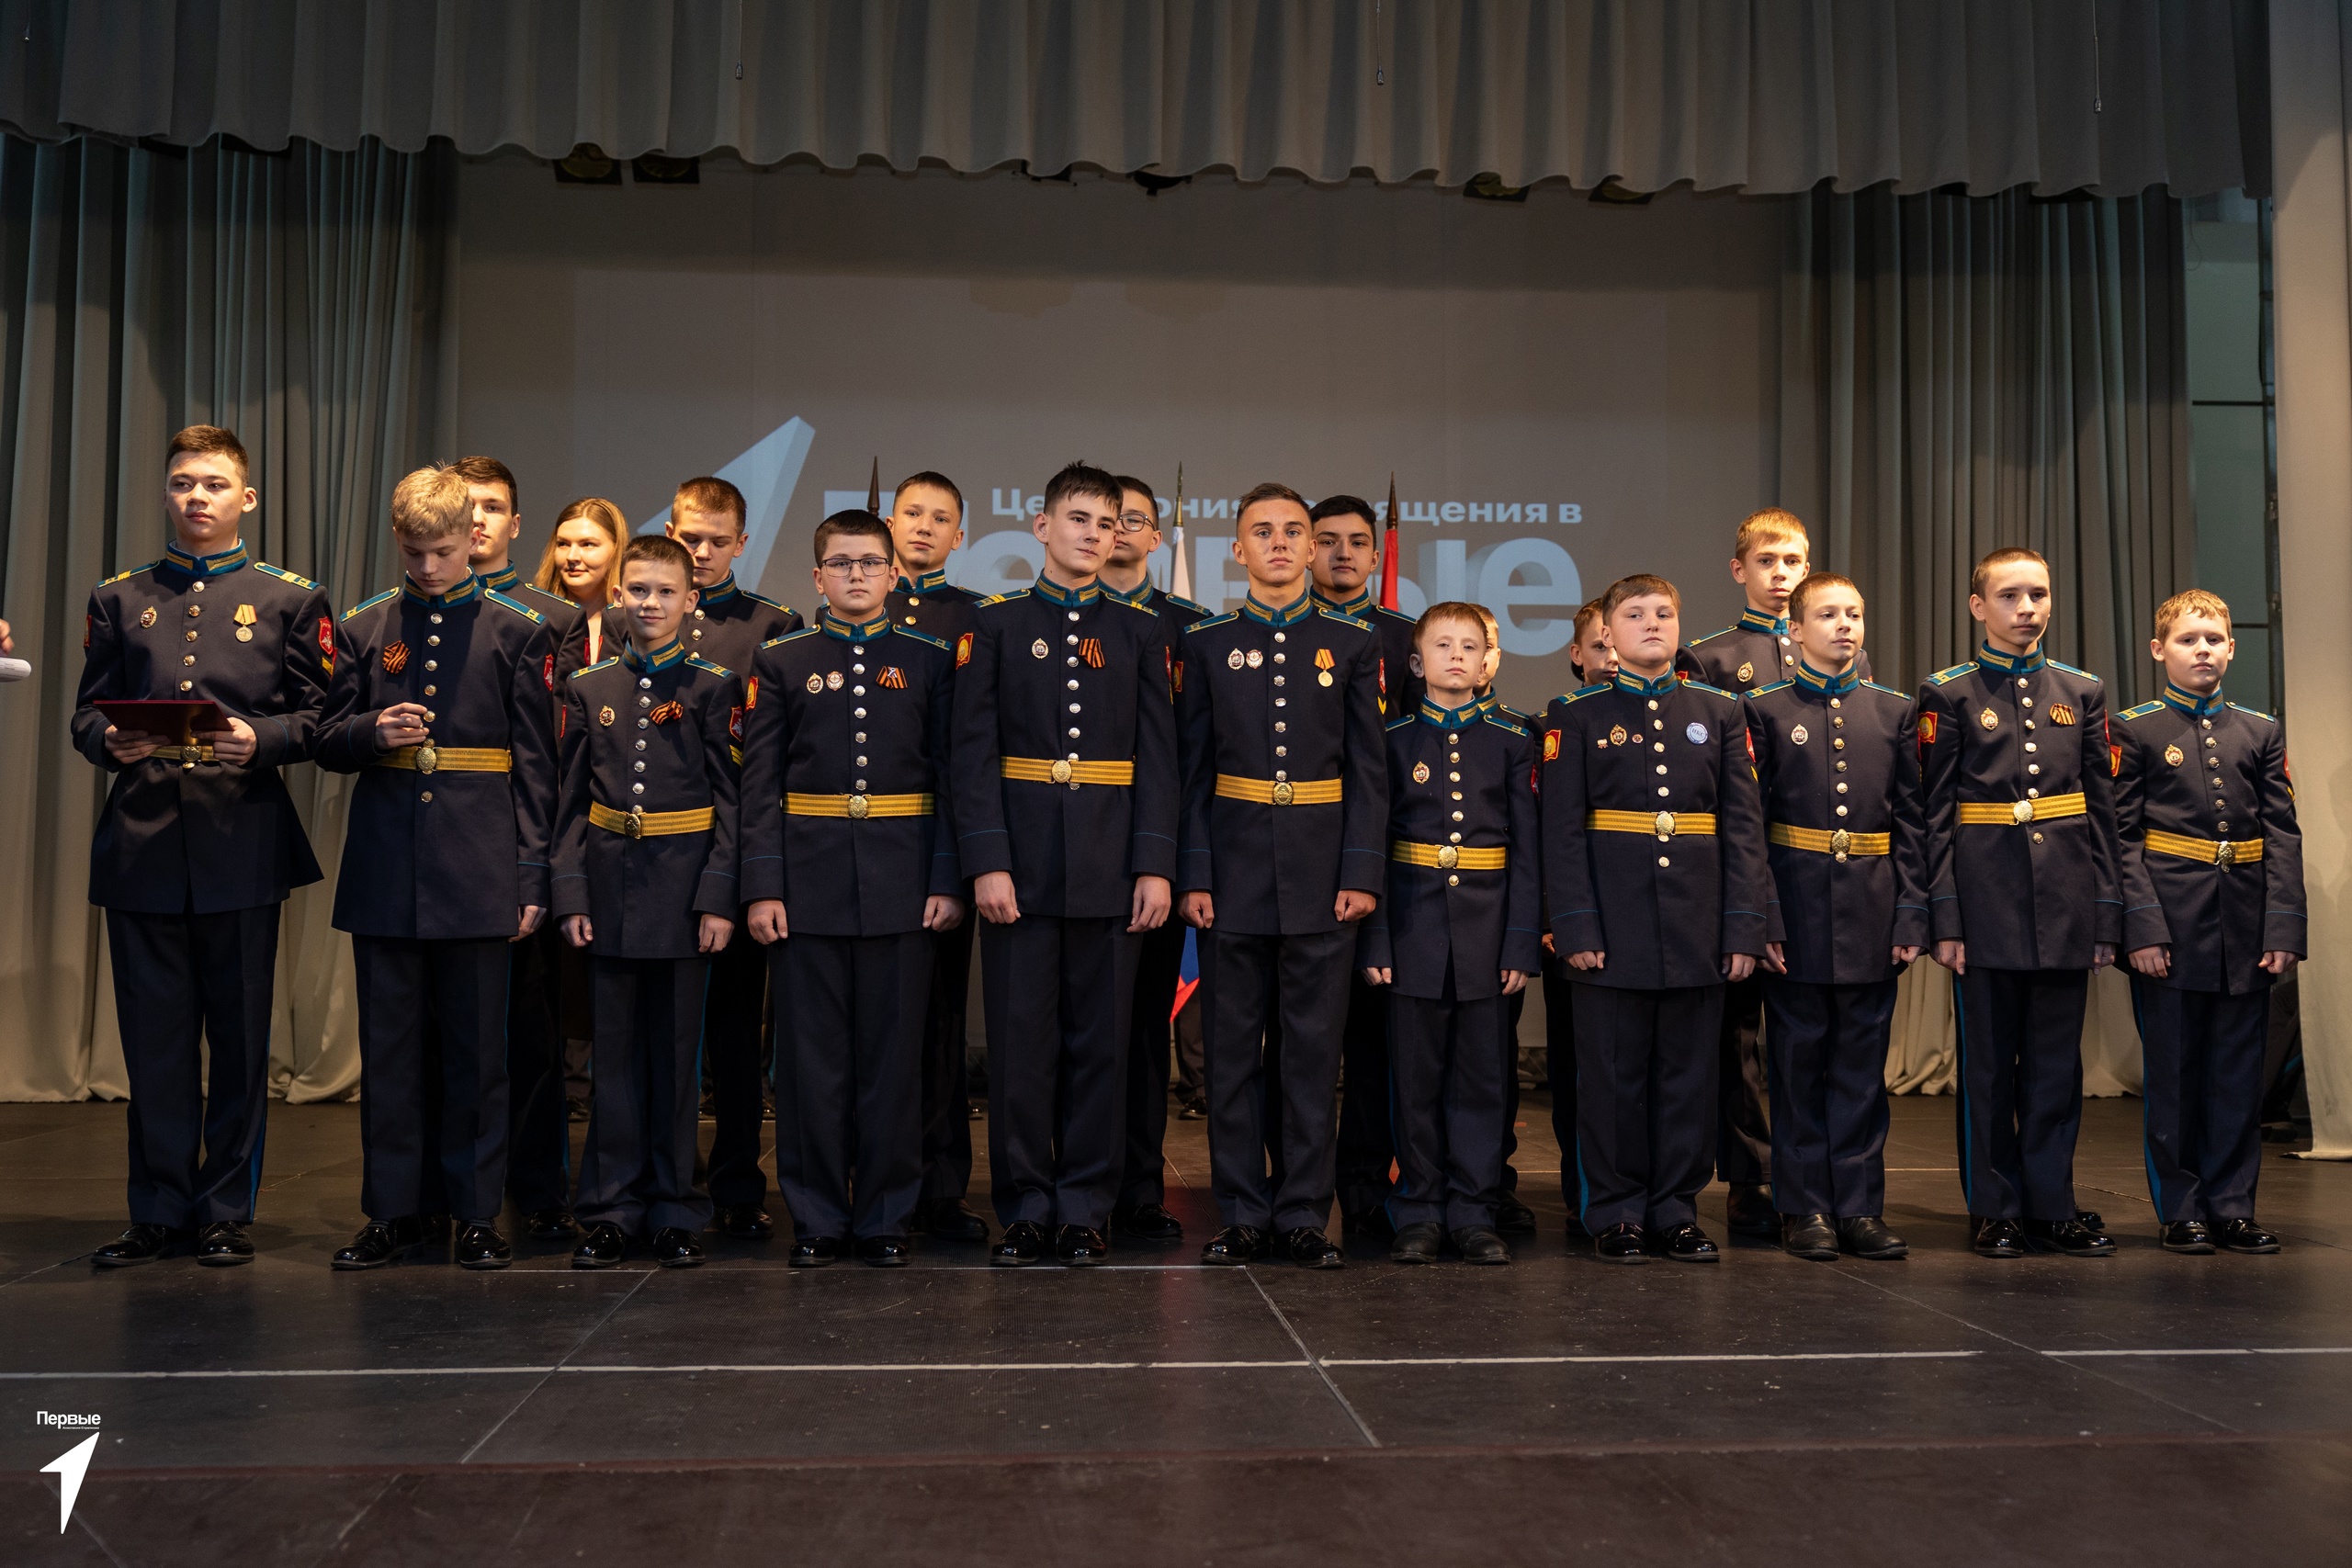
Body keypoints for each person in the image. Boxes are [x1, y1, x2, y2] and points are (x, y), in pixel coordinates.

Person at [73, 424, 334, 1269]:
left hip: (241, 838)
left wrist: (262, 738)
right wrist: (105, 739)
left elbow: (320, 716)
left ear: (245, 498)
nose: (197, 496)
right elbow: (86, 710)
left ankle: (224, 1208)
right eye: (184, 482)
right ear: (165, 493)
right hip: (142, 840)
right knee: (154, 1041)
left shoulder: (291, 599)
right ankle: (156, 1209)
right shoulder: (120, 596)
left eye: (215, 484)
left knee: (240, 1036)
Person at [316, 465, 558, 1271]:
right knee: (389, 1052)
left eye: (444, 552)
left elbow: (537, 766)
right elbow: (326, 737)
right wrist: (368, 732)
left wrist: (531, 873)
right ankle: (394, 1211)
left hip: (479, 867)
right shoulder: (363, 625)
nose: (427, 567)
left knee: (476, 1055)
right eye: (414, 552)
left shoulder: (517, 630)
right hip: (387, 868)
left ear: (473, 537)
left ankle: (476, 1212)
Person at [955, 462, 1177, 1266]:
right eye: (1077, 518)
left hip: (1111, 866)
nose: (1093, 534)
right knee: (1021, 1048)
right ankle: (1024, 1206)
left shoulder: (1141, 630)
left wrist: (1154, 864)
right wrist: (988, 860)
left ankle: (1084, 1205)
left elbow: (1160, 758)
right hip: (1020, 865)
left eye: (1107, 523)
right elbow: (972, 753)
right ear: (1042, 526)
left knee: (1101, 1048)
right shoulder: (996, 624)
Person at [741, 510, 963, 1267]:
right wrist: (763, 885)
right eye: (841, 563)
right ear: (817, 576)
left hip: (905, 886)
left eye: (870, 562)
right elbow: (759, 783)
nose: (857, 575)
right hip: (806, 888)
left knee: (893, 1065)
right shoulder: (783, 659)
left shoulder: (930, 658)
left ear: (893, 573)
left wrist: (946, 878)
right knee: (811, 1067)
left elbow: (950, 779)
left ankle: (884, 1216)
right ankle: (816, 1216)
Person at [1178, 482, 1387, 1269]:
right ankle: (1241, 1211)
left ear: (1311, 547)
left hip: (1323, 876)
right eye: (1261, 531)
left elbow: (1370, 772)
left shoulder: (1353, 643)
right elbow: (1192, 772)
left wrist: (1361, 869)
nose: (1278, 543)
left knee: (1311, 1056)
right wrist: (1194, 872)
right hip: (1231, 874)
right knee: (1232, 1056)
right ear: (1238, 549)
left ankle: (1302, 1212)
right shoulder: (1206, 642)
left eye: (1293, 531)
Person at [594, 478, 804, 1244]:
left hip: (732, 858)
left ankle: (738, 1182)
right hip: (648, 872)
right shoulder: (628, 624)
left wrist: (746, 872)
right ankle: (646, 1186)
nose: (703, 551)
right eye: (690, 537)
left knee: (735, 1032)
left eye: (718, 540)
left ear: (741, 543)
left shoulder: (773, 625)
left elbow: (767, 763)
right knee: (652, 1041)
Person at [1540, 574, 1768, 1263]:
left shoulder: (1720, 711)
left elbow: (1743, 829)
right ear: (1608, 633)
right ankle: (1616, 1212)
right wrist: (1575, 925)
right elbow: (1561, 832)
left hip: (1697, 927)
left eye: (1664, 613)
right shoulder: (1575, 713)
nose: (1652, 624)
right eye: (1635, 614)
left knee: (1688, 1079)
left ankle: (1674, 1209)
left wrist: (1743, 927)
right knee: (1612, 1082)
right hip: (1611, 930)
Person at [1916, 547, 2120, 1259]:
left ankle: (2051, 1206)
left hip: (2065, 905)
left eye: (2038, 594)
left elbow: (2103, 814)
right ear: (1979, 606)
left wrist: (2106, 912)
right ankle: (1995, 1207)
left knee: (2057, 1069)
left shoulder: (2082, 691)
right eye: (2009, 595)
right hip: (1985, 907)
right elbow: (1933, 816)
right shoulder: (1948, 693)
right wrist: (1945, 916)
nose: (2026, 608)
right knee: (1989, 1069)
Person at [1677, 509, 1866, 1239]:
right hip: (1745, 866)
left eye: (1793, 561)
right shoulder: (1712, 657)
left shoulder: (1845, 651)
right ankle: (1750, 1175)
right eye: (1767, 561)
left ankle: (1814, 1179)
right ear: (1740, 569)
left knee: (1813, 1037)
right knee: (1741, 1039)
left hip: (1820, 871)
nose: (1780, 573)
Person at [553, 534, 740, 1269]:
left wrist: (719, 895)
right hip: (608, 891)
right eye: (638, 590)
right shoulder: (589, 686)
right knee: (614, 1059)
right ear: (619, 595)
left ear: (691, 601)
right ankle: (610, 1208)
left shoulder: (714, 687)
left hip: (684, 895)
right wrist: (570, 890)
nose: (651, 603)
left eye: (666, 591)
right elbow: (570, 802)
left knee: (675, 1060)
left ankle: (674, 1208)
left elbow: (732, 805)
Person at [2114, 589, 2304, 1255]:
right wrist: (2141, 927)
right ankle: (2182, 1207)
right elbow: (2121, 838)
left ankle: (2232, 1206)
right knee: (2174, 1076)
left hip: (2245, 928)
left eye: (2214, 639)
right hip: (2170, 928)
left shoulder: (2260, 731)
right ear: (2158, 649)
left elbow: (2283, 835)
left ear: (2231, 648)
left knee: (2237, 1076)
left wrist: (2282, 927)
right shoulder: (2135, 730)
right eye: (2188, 639)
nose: (2203, 650)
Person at [1744, 574, 1926, 1261]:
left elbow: (1912, 822)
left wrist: (1911, 914)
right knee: (1797, 1067)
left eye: (1854, 613)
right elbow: (1751, 826)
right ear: (1794, 630)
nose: (1844, 624)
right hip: (1796, 910)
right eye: (1827, 614)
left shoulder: (1894, 710)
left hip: (1872, 911)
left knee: (1861, 1070)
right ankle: (1804, 1206)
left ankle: (1859, 1206)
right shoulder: (1764, 709)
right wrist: (1765, 918)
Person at [1359, 604, 1540, 1265]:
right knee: (1414, 1082)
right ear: (1416, 662)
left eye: (1470, 646)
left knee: (1483, 1083)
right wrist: (1376, 938)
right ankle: (1419, 1209)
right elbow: (1374, 848)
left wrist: (1520, 941)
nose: (1457, 656)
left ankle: (1472, 1211)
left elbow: (1528, 853)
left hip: (1488, 938)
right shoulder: (1391, 739)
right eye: (1442, 645)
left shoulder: (1514, 738)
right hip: (1412, 933)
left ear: (1488, 661)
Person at [453, 455, 579, 1244]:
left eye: (492, 507)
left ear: (515, 522)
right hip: (444, 857)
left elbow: (561, 751)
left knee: (532, 1034)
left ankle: (538, 1191)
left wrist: (548, 861)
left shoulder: (553, 618)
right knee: (444, 1037)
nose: (476, 520)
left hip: (523, 848)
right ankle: (446, 1192)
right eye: (463, 505)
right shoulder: (409, 606)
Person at [1308, 493, 1424, 1239]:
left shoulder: (1405, 639)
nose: (1343, 553)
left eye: (1357, 541)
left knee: (1376, 1039)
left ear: (1376, 554)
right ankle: (1294, 1189)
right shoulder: (1286, 632)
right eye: (1328, 540)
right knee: (1302, 1041)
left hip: (1385, 859)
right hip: (1302, 854)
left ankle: (1365, 1189)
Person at [883, 470, 992, 1245]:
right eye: (912, 513)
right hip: (865, 849)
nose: (924, 526)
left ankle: (943, 1187)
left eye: (940, 517)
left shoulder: (977, 619)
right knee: (875, 1033)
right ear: (890, 523)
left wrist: (957, 863)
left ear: (962, 534)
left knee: (942, 1027)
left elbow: (972, 753)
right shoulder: (846, 608)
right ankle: (876, 1182)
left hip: (941, 844)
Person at [1100, 473, 1209, 1245]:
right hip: (1074, 853)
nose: (1121, 531)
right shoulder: (1054, 618)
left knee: (1143, 1034)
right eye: (1110, 519)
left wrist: (1171, 861)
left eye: (1135, 519)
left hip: (1157, 856)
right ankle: (1070, 1185)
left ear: (1154, 535)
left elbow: (1196, 755)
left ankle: (1138, 1187)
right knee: (1072, 1036)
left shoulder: (1191, 628)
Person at [534, 497, 626, 670]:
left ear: (616, 550)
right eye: (563, 544)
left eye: (588, 544)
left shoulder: (636, 624)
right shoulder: (533, 620)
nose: (572, 557)